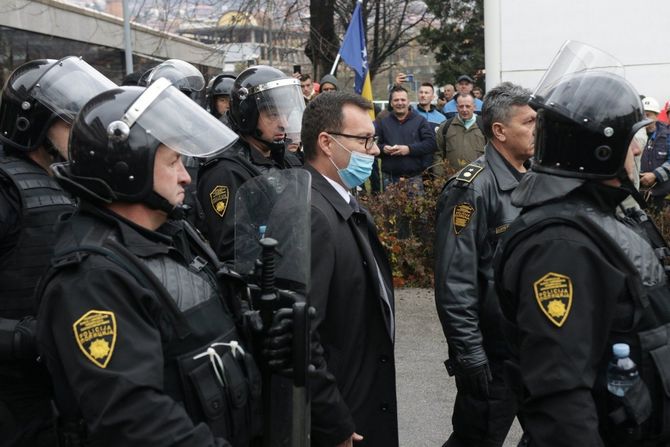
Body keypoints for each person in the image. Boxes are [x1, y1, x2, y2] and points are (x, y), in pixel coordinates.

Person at [36, 79, 270, 446]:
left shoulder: (172, 235)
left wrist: (264, 337)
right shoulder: (91, 279)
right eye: (173, 161)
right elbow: (134, 418)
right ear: (129, 167)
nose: (186, 175)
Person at [494, 41, 670, 447]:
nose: (639, 149)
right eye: (631, 139)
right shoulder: (559, 245)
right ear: (601, 150)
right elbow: (558, 395)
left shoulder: (604, 212)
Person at [0, 56, 116, 447]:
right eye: (72, 122)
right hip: (14, 403)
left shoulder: (74, 182)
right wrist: (25, 336)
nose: (84, 133)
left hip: (64, 396)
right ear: (33, 124)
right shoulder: (5, 190)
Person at [434, 82, 536, 447]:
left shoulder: (534, 179)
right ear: (499, 131)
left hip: (531, 346)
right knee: (477, 438)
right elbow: (455, 280)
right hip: (493, 355)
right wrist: (470, 355)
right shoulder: (473, 188)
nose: (536, 129)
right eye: (529, 122)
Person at [301, 91, 398, 447]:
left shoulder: (342, 199)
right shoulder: (313, 214)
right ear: (326, 143)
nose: (373, 150)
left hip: (362, 397)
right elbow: (303, 335)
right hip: (345, 416)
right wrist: (333, 420)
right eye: (364, 140)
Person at [197, 65, 304, 261]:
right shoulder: (225, 171)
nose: (284, 123)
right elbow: (233, 249)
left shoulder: (285, 158)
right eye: (273, 115)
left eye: (286, 114)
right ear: (248, 114)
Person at [376, 85, 436, 191]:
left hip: (414, 178)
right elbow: (375, 145)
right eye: (396, 100)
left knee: (415, 208)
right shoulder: (383, 122)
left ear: (408, 102)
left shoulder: (420, 121)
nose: (400, 103)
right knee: (390, 208)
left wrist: (409, 149)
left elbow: (430, 144)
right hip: (389, 179)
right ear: (391, 103)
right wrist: (383, 148)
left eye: (403, 100)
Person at [434, 93, 487, 176]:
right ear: (456, 107)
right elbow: (438, 155)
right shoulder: (445, 127)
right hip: (452, 179)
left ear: (474, 107)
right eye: (461, 106)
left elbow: (492, 155)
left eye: (468, 106)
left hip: (479, 180)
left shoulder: (484, 126)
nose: (464, 110)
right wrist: (439, 178)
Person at [639, 96, 670, 210]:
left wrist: (655, 175)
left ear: (656, 116)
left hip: (662, 195)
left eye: (648, 115)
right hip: (637, 193)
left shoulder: (667, 135)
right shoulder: (632, 135)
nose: (644, 119)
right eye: (642, 115)